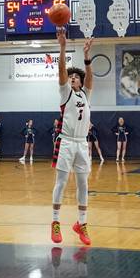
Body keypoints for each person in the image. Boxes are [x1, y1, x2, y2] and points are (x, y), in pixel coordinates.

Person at [50, 28, 94, 246]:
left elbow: (90, 79)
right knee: (61, 182)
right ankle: (55, 222)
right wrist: (62, 46)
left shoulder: (85, 94)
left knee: (83, 184)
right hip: (66, 141)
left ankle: (82, 224)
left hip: (81, 143)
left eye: (77, 77)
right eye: (72, 76)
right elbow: (61, 72)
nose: (74, 78)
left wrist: (87, 57)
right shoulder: (65, 92)